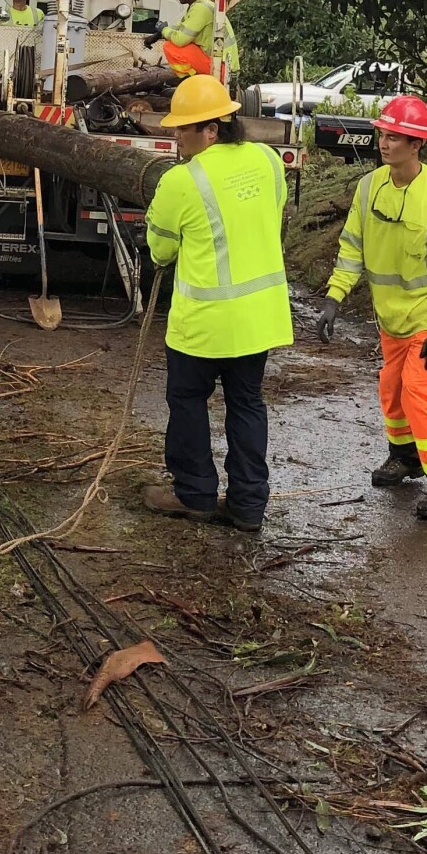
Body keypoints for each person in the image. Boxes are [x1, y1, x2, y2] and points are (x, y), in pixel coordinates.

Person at [140, 73, 292, 533]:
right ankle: (248, 506)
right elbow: (274, 209)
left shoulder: (181, 182)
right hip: (258, 321)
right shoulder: (267, 161)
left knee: (187, 402)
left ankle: (195, 493)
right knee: (247, 404)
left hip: (204, 324)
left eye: (182, 129)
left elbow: (161, 251)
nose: (175, 136)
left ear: (211, 128)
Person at [317, 95, 427, 522]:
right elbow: (352, 247)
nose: (385, 144)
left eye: (396, 137)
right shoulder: (370, 188)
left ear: (417, 144)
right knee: (393, 389)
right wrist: (335, 297)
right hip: (392, 318)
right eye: (383, 134)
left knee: (424, 394)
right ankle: (405, 457)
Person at [160, 0, 239, 84]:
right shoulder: (203, 4)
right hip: (225, 66)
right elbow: (181, 27)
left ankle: (191, 81)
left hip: (221, 68)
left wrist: (163, 30)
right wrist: (162, 31)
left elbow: (180, 39)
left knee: (170, 47)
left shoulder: (200, 9)